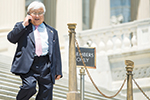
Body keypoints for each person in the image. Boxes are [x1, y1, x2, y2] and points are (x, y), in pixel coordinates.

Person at [7, 1, 62, 100]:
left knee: (46, 92)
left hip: (46, 65)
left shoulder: (52, 31)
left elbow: (56, 52)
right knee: (29, 86)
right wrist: (24, 24)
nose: (37, 15)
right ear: (29, 14)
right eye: (34, 13)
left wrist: (58, 70)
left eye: (40, 13)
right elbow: (11, 38)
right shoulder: (22, 27)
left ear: (43, 14)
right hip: (29, 64)